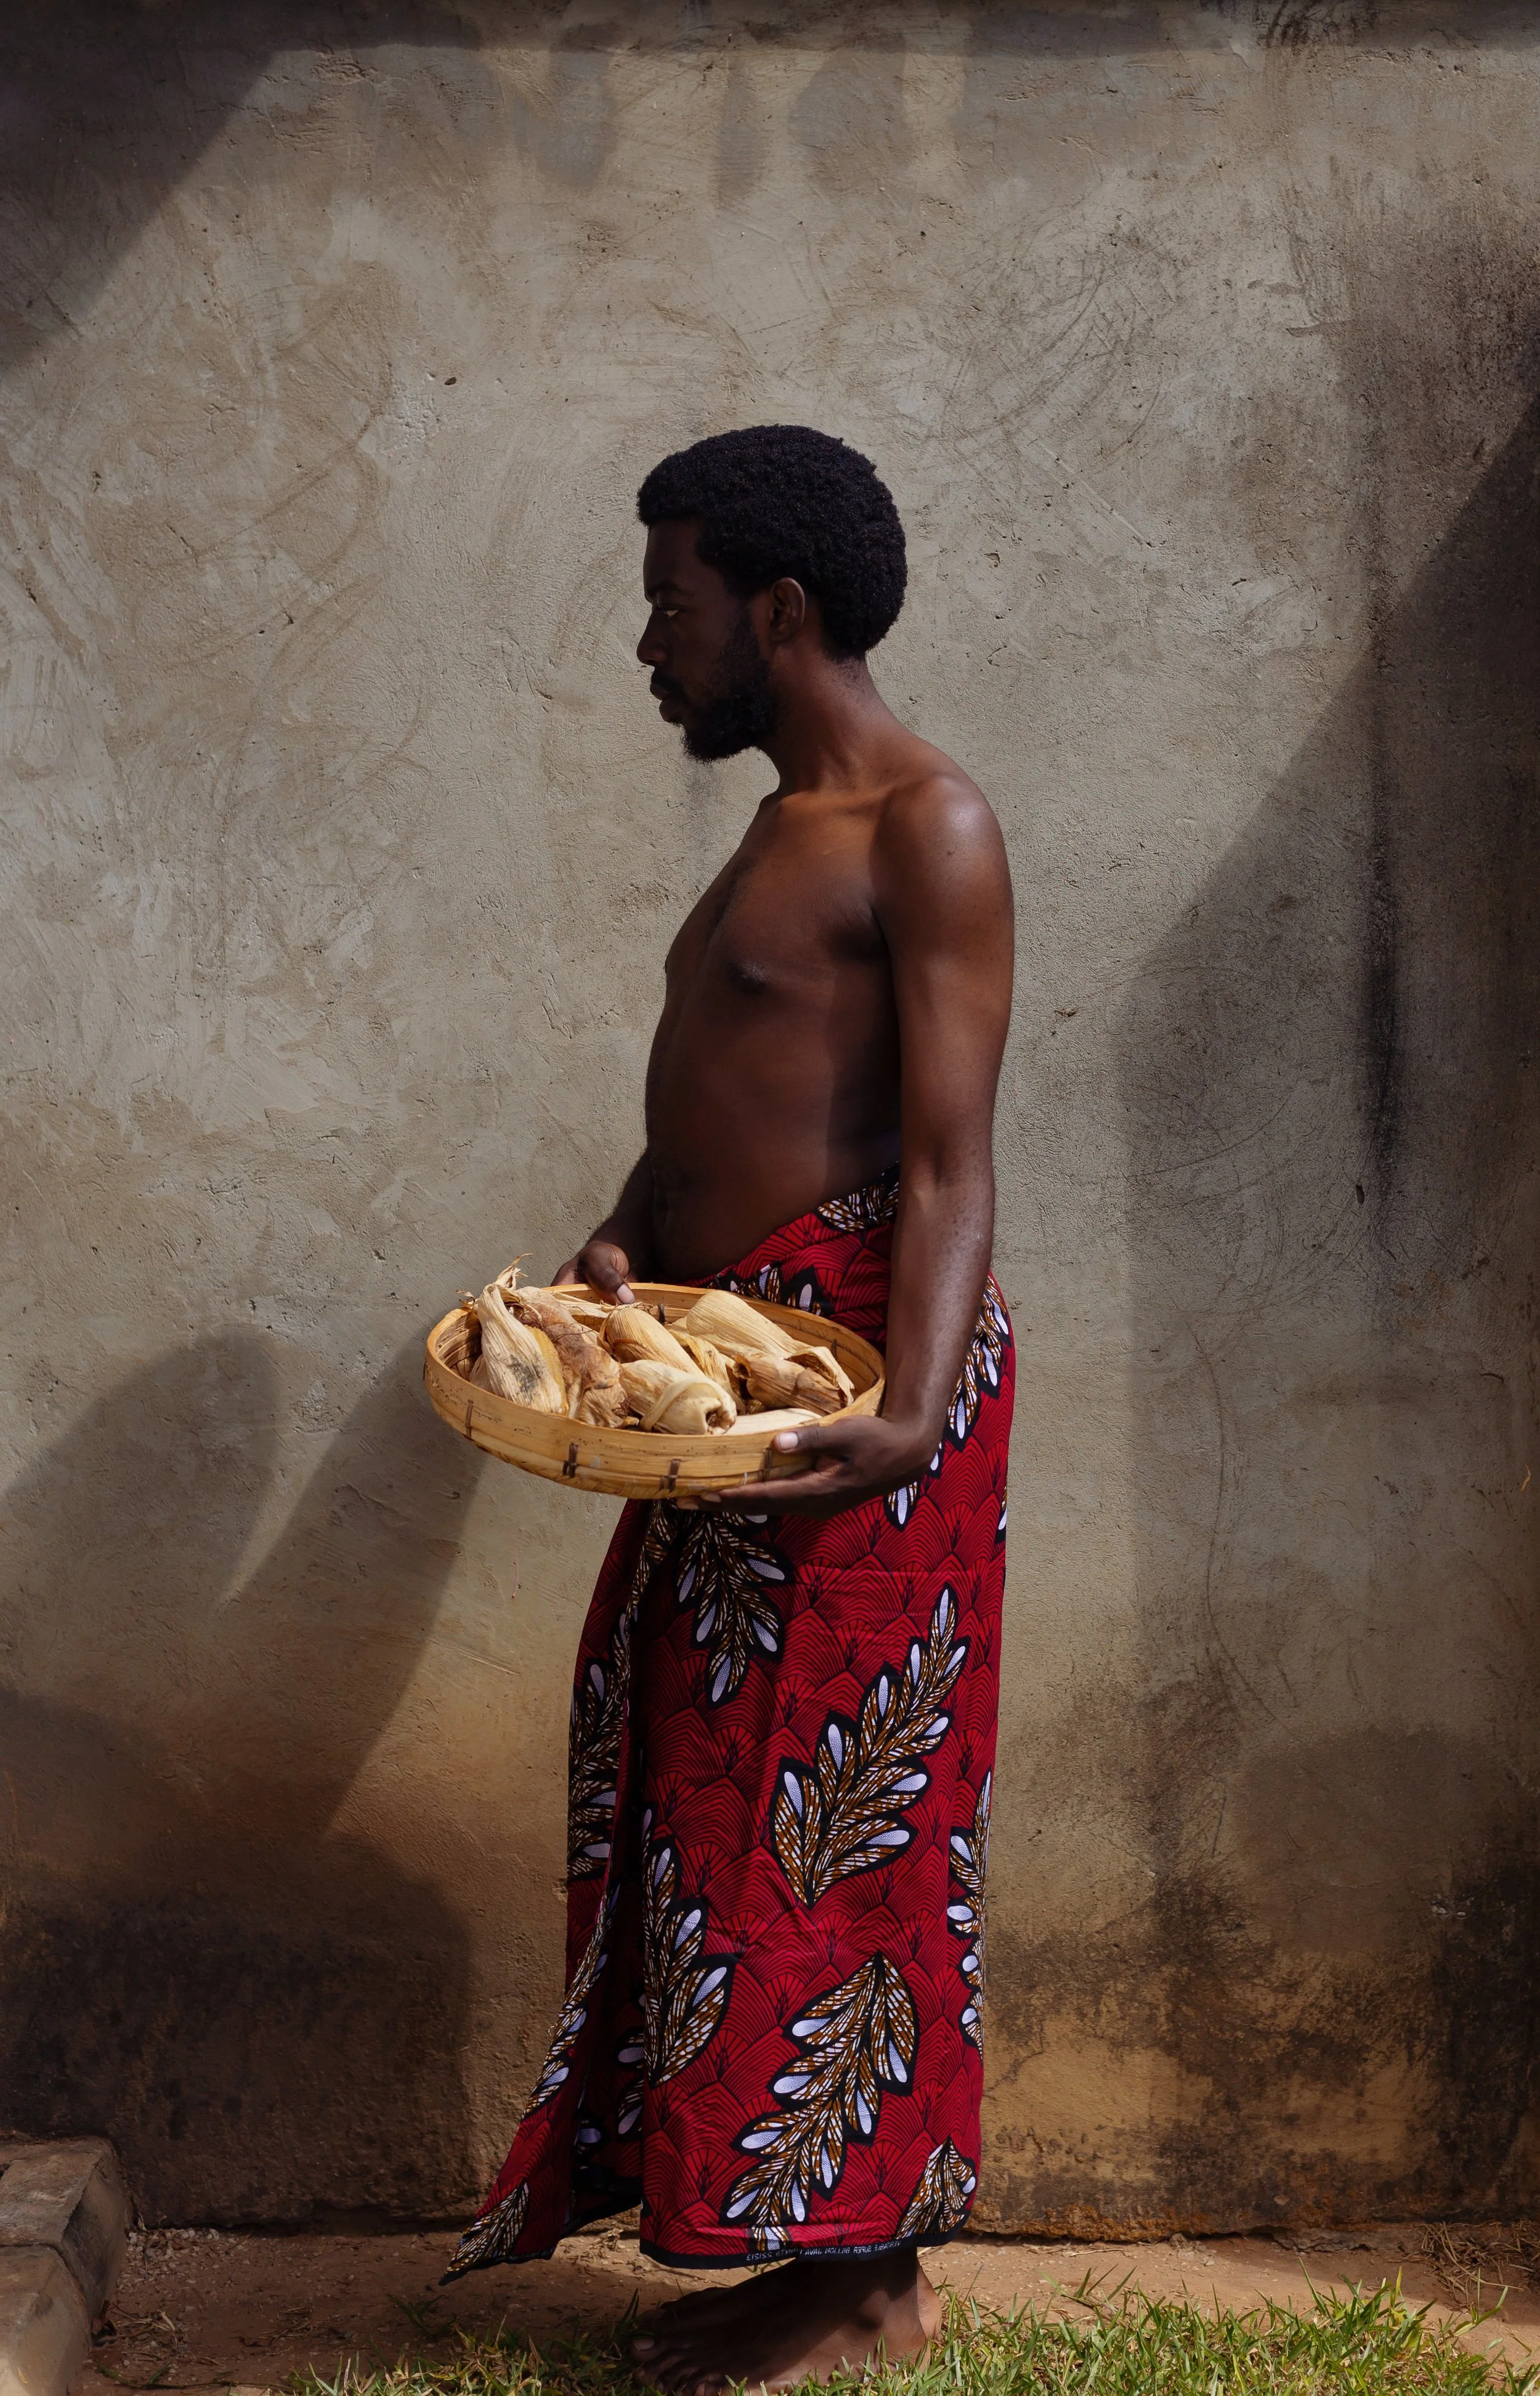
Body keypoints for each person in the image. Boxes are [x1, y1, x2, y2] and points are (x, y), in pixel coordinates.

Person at [445, 425, 1015, 2394]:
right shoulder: (783, 828)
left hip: (858, 1395)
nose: (642, 644)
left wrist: (912, 1414)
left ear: (776, 608)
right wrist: (624, 1238)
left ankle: (864, 2286)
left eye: (666, 602)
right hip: (735, 1384)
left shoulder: (924, 828)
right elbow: (721, 1096)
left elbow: (946, 1162)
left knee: (832, 1827)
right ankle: (783, 2250)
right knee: (707, 1803)